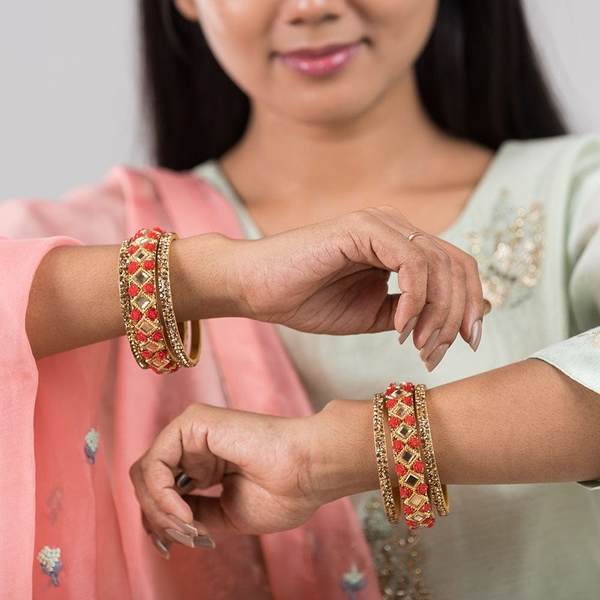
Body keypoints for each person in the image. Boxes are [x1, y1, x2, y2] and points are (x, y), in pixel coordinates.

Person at [1, 1, 598, 599]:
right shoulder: (97, 239)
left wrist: (332, 454)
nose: (314, 7)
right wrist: (219, 276)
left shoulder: (578, 196)